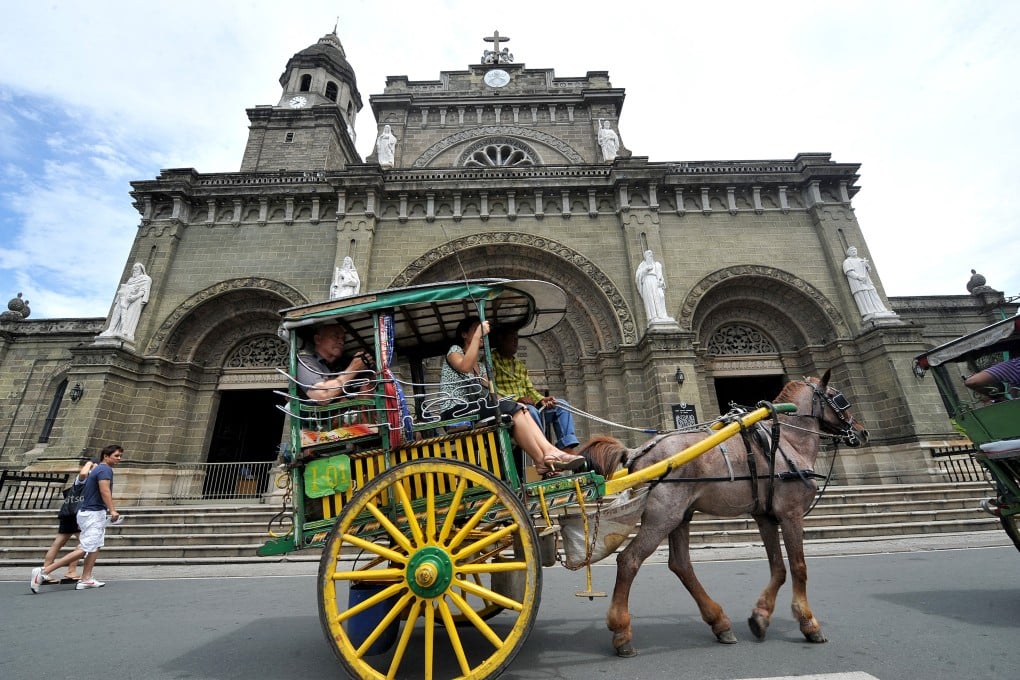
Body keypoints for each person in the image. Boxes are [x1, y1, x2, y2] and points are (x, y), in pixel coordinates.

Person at [439, 317, 585, 477]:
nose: (481, 335)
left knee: (522, 409)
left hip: (475, 411)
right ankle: (545, 456)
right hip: (456, 412)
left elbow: (493, 394)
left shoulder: (481, 367)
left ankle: (545, 457)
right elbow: (464, 366)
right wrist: (477, 335)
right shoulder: (455, 351)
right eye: (475, 330)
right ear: (464, 334)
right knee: (513, 408)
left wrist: (516, 403)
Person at [31, 444, 123, 592]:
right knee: (86, 547)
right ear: (106, 456)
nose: (119, 459)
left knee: (95, 545)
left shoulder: (97, 470)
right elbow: (104, 490)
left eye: (120, 456)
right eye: (116, 456)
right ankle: (44, 572)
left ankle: (86, 578)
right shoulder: (104, 469)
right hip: (93, 512)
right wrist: (112, 510)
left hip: (92, 512)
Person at [491, 325, 581, 452]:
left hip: (528, 408)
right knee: (531, 411)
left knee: (561, 405)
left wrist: (542, 399)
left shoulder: (519, 365)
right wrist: (518, 399)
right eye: (512, 338)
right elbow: (492, 388)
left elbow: (530, 390)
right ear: (500, 339)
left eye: (517, 338)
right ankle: (544, 451)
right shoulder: (490, 361)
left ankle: (567, 448)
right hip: (510, 411)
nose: (516, 342)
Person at [38, 456, 96, 582]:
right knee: (85, 543)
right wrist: (90, 463)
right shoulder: (86, 477)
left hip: (68, 513)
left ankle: (46, 570)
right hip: (77, 514)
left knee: (59, 543)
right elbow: (83, 473)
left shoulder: (88, 479)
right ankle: (70, 570)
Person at [296, 324, 375, 404]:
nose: (341, 342)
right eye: (335, 336)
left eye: (343, 339)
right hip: (314, 416)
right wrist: (353, 369)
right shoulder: (306, 362)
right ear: (318, 339)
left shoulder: (341, 365)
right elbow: (322, 396)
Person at [99, 262, 152, 341]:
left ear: (141, 269)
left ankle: (126, 332)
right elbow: (124, 288)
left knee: (129, 315)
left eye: (136, 268)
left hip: (135, 300)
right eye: (133, 268)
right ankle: (111, 329)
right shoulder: (130, 279)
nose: (134, 270)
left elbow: (144, 290)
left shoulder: (146, 278)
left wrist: (134, 297)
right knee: (116, 312)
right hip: (123, 299)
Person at [842, 246, 895, 320]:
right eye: (852, 251)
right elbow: (849, 272)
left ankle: (880, 310)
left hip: (867, 281)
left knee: (873, 293)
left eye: (855, 250)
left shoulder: (861, 260)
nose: (854, 251)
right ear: (849, 253)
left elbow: (869, 270)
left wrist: (867, 266)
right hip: (858, 283)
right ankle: (869, 312)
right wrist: (858, 277)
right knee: (864, 295)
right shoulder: (847, 261)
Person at [635, 249, 675, 325]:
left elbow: (660, 275)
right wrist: (645, 270)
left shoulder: (656, 264)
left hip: (655, 281)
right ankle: (653, 316)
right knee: (650, 298)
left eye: (651, 254)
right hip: (647, 281)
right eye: (648, 254)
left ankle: (662, 315)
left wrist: (661, 282)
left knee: (660, 297)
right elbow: (638, 276)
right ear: (645, 256)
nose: (650, 255)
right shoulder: (643, 265)